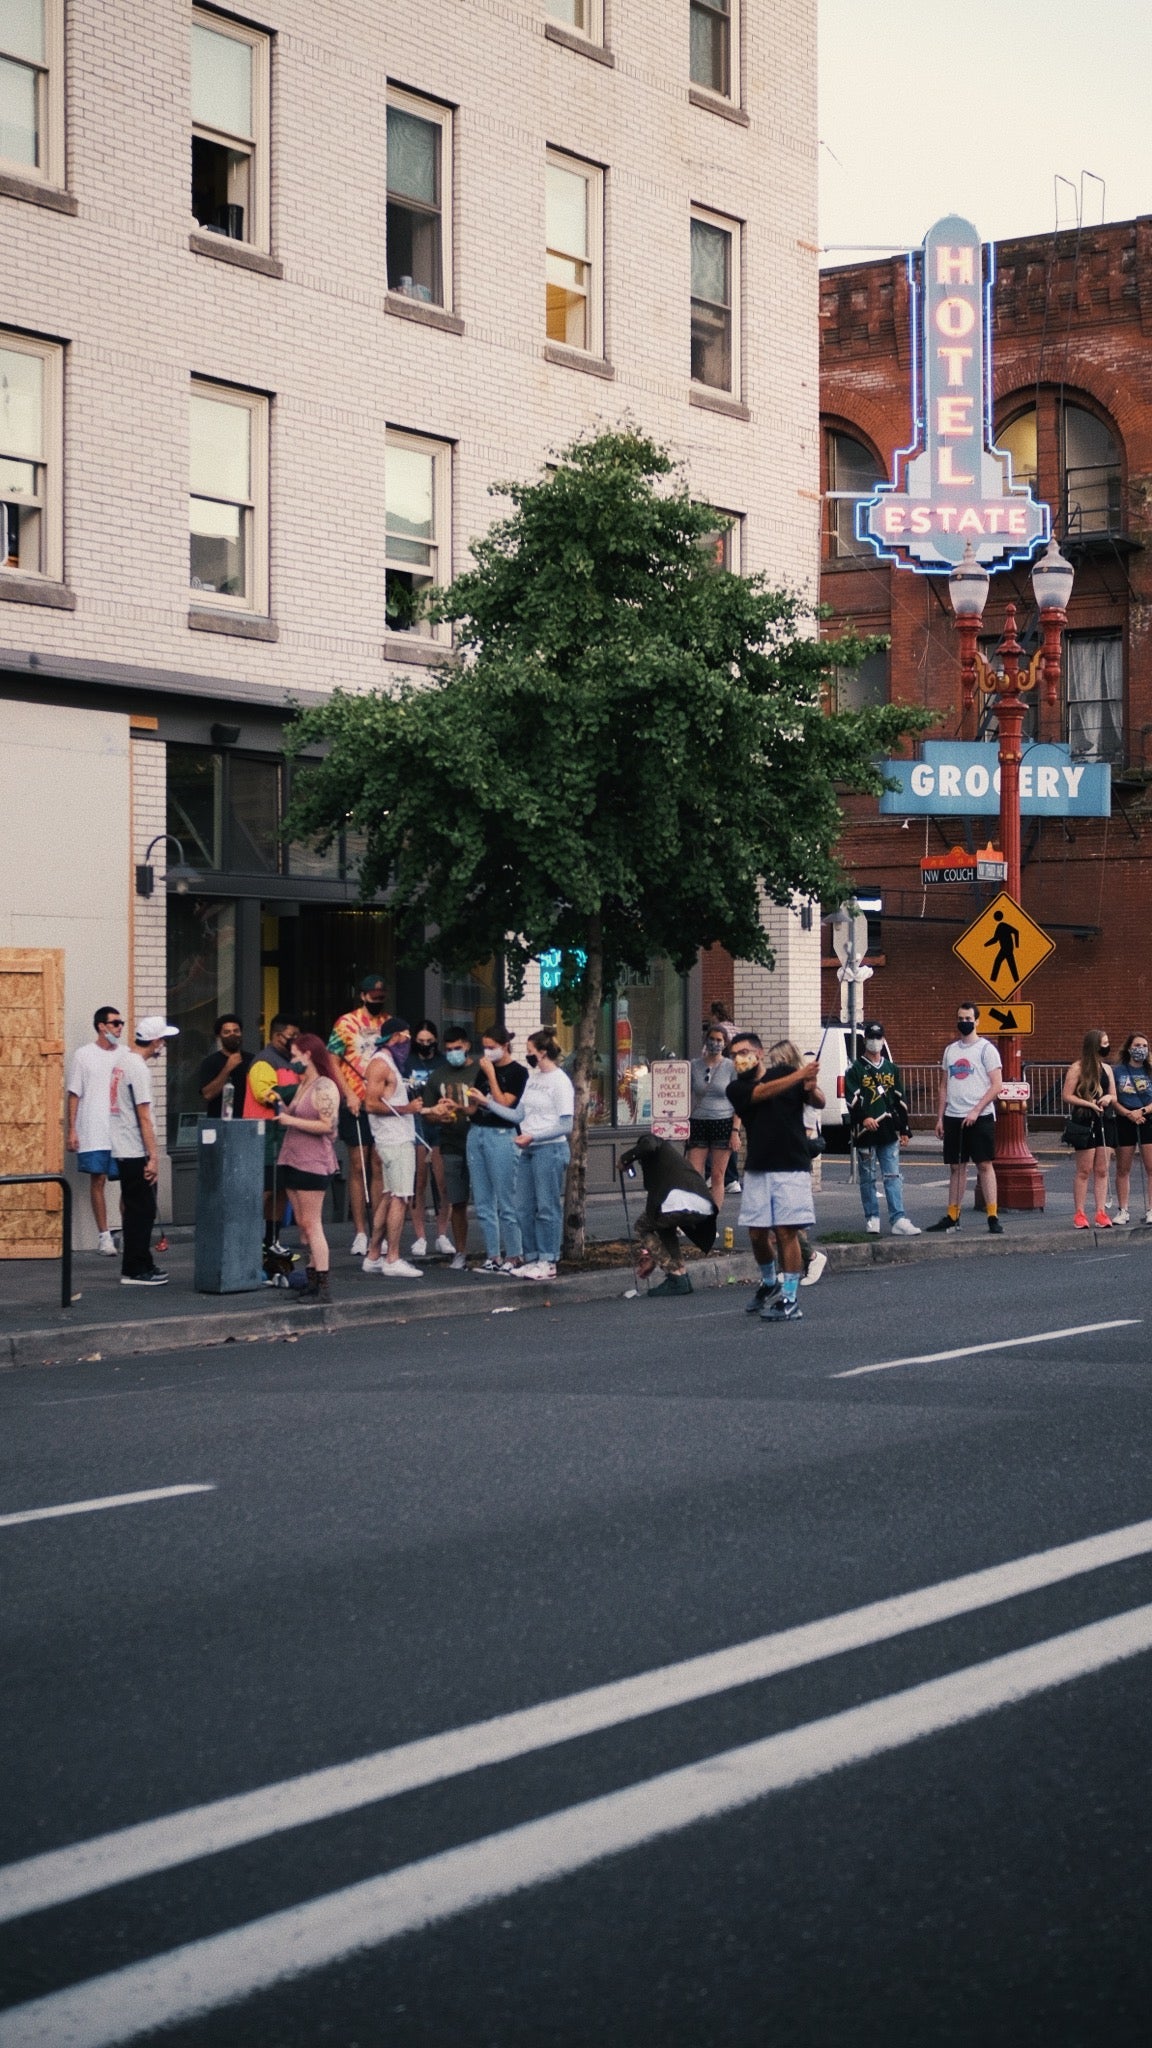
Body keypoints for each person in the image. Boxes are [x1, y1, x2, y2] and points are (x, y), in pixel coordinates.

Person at [726, 1033, 823, 1322]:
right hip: (758, 1168)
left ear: (760, 1053)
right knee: (756, 1233)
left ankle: (790, 1297)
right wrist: (799, 1076)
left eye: (744, 1052)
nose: (739, 1058)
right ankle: (769, 1281)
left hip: (791, 1165)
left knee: (785, 1232)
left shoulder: (787, 1074)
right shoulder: (738, 1089)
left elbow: (817, 1100)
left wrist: (811, 1085)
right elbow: (762, 1094)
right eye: (735, 1055)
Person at [110, 1015, 178, 1286]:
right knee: (142, 1210)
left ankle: (141, 1262)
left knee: (138, 1208)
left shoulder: (124, 1061)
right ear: (154, 1041)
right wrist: (153, 1157)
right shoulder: (138, 1068)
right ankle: (135, 1268)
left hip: (125, 1146)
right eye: (163, 1039)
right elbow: (144, 1116)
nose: (164, 1045)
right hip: (135, 1148)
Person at [274, 1034, 341, 1300]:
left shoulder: (325, 1087)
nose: (292, 1061)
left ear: (308, 1054)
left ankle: (321, 1284)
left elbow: (327, 1125)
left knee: (312, 1224)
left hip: (313, 1163)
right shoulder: (305, 1084)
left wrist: (289, 1121)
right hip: (292, 1158)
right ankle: (311, 1277)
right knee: (303, 1225)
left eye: (295, 1055)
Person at [927, 1001, 1003, 1235]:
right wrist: (940, 1117)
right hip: (953, 1116)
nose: (964, 1022)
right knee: (956, 1167)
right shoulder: (951, 1050)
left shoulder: (986, 1049)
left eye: (969, 1019)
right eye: (961, 1018)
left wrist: (976, 1110)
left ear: (977, 1021)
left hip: (979, 1117)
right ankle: (952, 1215)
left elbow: (997, 1085)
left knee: (984, 1164)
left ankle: (992, 1216)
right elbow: (944, 1086)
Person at [328, 974, 389, 1256]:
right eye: (373, 997)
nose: (378, 1001)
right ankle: (360, 1232)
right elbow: (333, 1060)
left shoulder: (388, 1024)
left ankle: (378, 1229)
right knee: (357, 1164)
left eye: (381, 997)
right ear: (363, 996)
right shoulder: (346, 1023)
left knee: (378, 1164)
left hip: (381, 1102)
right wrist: (347, 1094)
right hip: (355, 1099)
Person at [844, 1020, 920, 1238]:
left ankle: (898, 1218)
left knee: (893, 1175)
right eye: (871, 1037)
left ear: (883, 1040)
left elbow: (900, 1099)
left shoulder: (892, 1069)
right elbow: (851, 1097)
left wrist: (905, 1129)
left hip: (887, 1127)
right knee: (867, 1176)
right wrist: (864, 1117)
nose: (875, 1042)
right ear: (864, 1040)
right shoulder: (855, 1069)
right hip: (865, 1129)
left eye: (878, 1038)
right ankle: (872, 1217)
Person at [362, 1017, 424, 1279]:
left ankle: (374, 1255)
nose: (409, 1041)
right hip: (394, 1141)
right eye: (406, 1036)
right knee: (400, 1197)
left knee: (389, 1196)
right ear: (396, 1037)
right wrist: (407, 1109)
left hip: (396, 1138)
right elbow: (371, 1105)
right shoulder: (380, 1064)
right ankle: (393, 1257)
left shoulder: (390, 1064)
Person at [618, 1133, 717, 1295]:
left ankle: (674, 1274)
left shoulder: (651, 1141)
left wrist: (625, 1158)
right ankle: (682, 1275)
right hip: (702, 1202)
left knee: (642, 1227)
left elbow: (648, 1145)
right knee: (665, 1227)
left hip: (677, 1200)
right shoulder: (670, 1163)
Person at [464, 1025, 528, 1273]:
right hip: (478, 1130)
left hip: (502, 1134)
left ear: (505, 1046)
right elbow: (474, 1105)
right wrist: (463, 1104)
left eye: (492, 1047)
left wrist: (490, 1076)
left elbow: (505, 1104)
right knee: (482, 1199)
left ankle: (514, 1253)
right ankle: (493, 1254)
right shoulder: (481, 1070)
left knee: (506, 1198)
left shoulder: (517, 1072)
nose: (487, 1052)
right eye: (485, 1047)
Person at [514, 1030, 575, 1279]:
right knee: (523, 1207)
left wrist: (534, 1136)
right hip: (529, 1148)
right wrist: (487, 1105)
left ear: (542, 1052)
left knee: (547, 1207)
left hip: (550, 1149)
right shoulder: (533, 1078)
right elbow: (519, 1114)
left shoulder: (560, 1082)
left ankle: (548, 1260)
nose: (527, 1055)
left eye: (530, 1051)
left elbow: (566, 1125)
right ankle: (531, 1257)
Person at [66, 1005, 125, 1254]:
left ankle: (127, 1231)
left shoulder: (125, 1054)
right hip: (92, 1126)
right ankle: (104, 1236)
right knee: (98, 1179)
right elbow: (74, 1093)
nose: (120, 1027)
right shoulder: (83, 1055)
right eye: (115, 1023)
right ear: (102, 1026)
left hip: (120, 1128)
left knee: (128, 1180)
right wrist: (72, 1129)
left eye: (121, 1023)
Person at [420, 1026, 478, 1269]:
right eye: (449, 1049)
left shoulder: (479, 1070)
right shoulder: (438, 1076)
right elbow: (427, 1113)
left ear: (467, 1046)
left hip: (478, 1142)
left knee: (489, 1201)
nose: (454, 1053)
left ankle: (500, 1252)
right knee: (457, 1200)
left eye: (458, 1048)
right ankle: (461, 1251)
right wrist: (438, 1117)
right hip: (451, 1143)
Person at [242, 1015, 301, 1254]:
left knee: (280, 1189)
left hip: (284, 1133)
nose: (296, 1041)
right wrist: (301, 1090)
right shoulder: (264, 1062)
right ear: (277, 1037)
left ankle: (272, 1240)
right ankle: (250, 1240)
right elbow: (265, 1094)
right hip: (264, 1134)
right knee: (265, 1190)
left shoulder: (292, 1062)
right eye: (292, 1037)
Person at [1062, 1028, 1117, 1230]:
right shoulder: (1078, 1068)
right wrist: (1088, 1103)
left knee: (1102, 1169)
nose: (1106, 1046)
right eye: (1104, 1042)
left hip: (1104, 1120)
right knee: (1084, 1169)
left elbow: (1114, 1096)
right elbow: (1067, 1095)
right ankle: (1079, 1212)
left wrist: (1108, 1098)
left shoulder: (1107, 1069)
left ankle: (1101, 1211)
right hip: (1084, 1121)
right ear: (1094, 1044)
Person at [407, 1021, 454, 1258]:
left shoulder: (443, 1062)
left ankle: (442, 1234)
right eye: (421, 1041)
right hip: (416, 1125)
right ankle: (420, 1236)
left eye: (429, 1041)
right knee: (418, 1182)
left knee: (442, 1181)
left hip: (438, 1125)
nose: (425, 1045)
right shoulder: (408, 1061)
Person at [687, 1026, 737, 1211]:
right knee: (694, 1173)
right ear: (705, 1040)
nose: (714, 1043)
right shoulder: (694, 1065)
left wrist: (735, 1131)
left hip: (723, 1121)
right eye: (712, 1039)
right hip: (699, 1120)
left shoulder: (731, 1067)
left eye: (719, 1040)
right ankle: (694, 1213)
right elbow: (686, 1095)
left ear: (725, 1044)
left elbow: (738, 1101)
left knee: (717, 1175)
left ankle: (711, 1217)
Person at [1110, 1030, 1152, 1225]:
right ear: (1129, 1048)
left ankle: (1151, 1209)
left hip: (1147, 1118)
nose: (1140, 1050)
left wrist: (1141, 1111)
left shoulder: (1150, 1070)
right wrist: (1127, 1113)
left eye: (1144, 1046)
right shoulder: (1117, 1071)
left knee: (1150, 1167)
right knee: (1123, 1167)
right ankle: (1123, 1210)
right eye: (1137, 1046)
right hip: (1124, 1118)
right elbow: (1113, 1098)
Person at [198, 1014, 251, 1120]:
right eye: (227, 1032)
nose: (233, 1035)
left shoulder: (252, 1060)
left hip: (246, 1122)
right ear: (219, 1036)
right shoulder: (209, 1062)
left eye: (236, 1031)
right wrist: (227, 1068)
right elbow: (208, 1094)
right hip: (218, 1123)